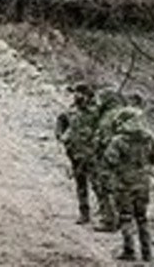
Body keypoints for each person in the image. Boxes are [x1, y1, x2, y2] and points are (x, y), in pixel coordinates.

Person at [103, 107, 154, 261]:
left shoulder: (118, 140)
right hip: (143, 182)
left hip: (124, 184)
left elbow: (110, 160)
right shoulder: (148, 138)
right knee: (142, 218)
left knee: (126, 217)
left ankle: (129, 250)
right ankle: (147, 253)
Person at [55, 82, 98, 224]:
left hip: (92, 154)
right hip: (76, 154)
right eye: (75, 93)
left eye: (79, 93)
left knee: (99, 185)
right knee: (81, 185)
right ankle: (84, 213)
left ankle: (108, 216)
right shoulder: (70, 111)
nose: (76, 96)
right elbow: (60, 122)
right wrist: (61, 136)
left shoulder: (95, 112)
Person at [91, 90, 126, 232]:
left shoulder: (108, 117)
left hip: (109, 158)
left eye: (100, 99)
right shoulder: (122, 113)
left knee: (105, 188)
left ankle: (110, 221)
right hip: (123, 158)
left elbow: (103, 138)